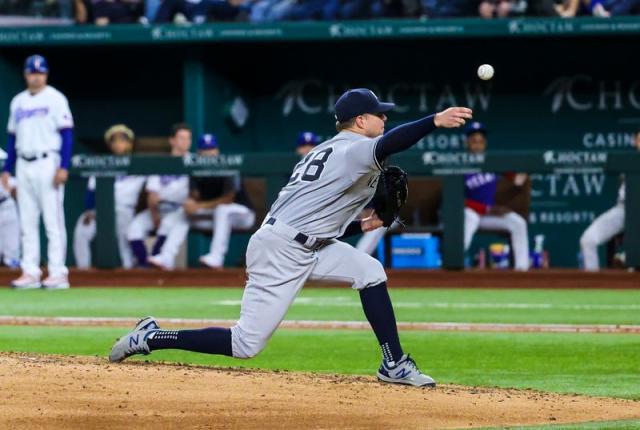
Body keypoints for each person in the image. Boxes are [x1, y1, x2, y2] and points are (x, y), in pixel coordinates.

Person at [110, 88, 472, 388]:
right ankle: (152, 337)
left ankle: (393, 364)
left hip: (310, 242)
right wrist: (434, 121)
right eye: (379, 114)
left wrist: (357, 226)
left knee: (370, 271)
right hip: (281, 250)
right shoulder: (354, 149)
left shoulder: (329, 150)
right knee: (245, 344)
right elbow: (392, 142)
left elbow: (315, 214)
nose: (385, 118)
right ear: (360, 121)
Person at [1, 55, 74, 290]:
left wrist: (64, 165)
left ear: (46, 74)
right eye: (32, 72)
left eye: (40, 72)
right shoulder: (18, 101)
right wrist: (7, 168)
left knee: (53, 220)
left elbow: (67, 134)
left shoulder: (55, 98)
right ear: (25, 74)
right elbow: (12, 138)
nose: (36, 76)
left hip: (48, 161)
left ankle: (57, 272)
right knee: (27, 221)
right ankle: (30, 271)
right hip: (24, 163)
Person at [148, 133, 256, 270]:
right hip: (217, 217)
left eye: (211, 149)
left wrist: (199, 206)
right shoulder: (196, 169)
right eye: (205, 150)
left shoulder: (228, 166)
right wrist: (191, 204)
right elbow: (195, 196)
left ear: (217, 151)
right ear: (199, 153)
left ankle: (217, 257)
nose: (209, 153)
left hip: (243, 215)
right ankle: (166, 257)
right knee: (184, 213)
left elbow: (229, 199)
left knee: (222, 210)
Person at [73, 124, 146, 269]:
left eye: (123, 140)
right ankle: (83, 271)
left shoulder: (139, 164)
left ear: (130, 144)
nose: (119, 144)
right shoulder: (102, 163)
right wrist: (89, 210)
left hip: (124, 209)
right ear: (110, 144)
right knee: (81, 230)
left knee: (124, 236)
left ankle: (128, 269)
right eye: (115, 141)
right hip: (101, 209)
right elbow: (91, 191)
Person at [462, 121, 530, 271]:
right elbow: (458, 201)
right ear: (467, 143)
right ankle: (455, 264)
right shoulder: (459, 164)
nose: (477, 145)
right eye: (474, 141)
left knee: (518, 223)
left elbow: (517, 180)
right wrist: (486, 209)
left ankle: (522, 270)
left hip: (488, 215)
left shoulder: (491, 162)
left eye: (480, 141)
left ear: (485, 143)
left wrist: (526, 169)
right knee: (469, 217)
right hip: (470, 214)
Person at [126, 123, 191, 267]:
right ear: (172, 140)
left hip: (179, 210)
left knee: (168, 224)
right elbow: (152, 193)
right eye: (181, 138)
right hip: (158, 208)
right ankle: (145, 265)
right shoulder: (161, 162)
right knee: (134, 228)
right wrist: (155, 215)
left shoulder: (193, 161)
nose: (185, 142)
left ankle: (157, 262)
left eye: (188, 139)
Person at [579, 130, 640, 271]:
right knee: (588, 240)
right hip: (623, 209)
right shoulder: (627, 163)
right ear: (635, 142)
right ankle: (593, 286)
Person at [0, 148, 20, 269]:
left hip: (8, 206)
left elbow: (17, 193)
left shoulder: (10, 178)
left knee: (12, 240)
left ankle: (12, 265)